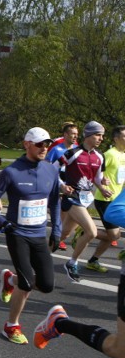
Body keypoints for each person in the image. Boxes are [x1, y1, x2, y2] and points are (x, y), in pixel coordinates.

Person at [0, 127, 61, 345]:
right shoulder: (12, 172)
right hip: (16, 233)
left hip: (39, 234)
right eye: (39, 144)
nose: (44, 148)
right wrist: (1, 223)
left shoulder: (51, 170)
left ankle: (10, 280)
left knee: (46, 285)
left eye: (47, 144)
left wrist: (56, 229)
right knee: (27, 283)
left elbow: (55, 202)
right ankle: (11, 325)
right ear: (27, 144)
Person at [33, 189, 125, 358]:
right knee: (120, 350)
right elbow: (116, 211)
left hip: (82, 197)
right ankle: (59, 323)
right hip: (75, 198)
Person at [57, 121, 109, 282]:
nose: (101, 138)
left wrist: (102, 186)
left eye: (102, 135)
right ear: (88, 135)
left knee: (63, 234)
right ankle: (72, 263)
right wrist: (62, 186)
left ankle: (38, 256)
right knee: (92, 232)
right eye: (97, 135)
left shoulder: (99, 156)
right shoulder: (73, 153)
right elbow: (51, 169)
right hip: (72, 198)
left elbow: (97, 177)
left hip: (85, 199)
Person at [85, 125, 125, 272]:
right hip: (105, 199)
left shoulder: (123, 155)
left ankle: (93, 259)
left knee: (113, 236)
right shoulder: (109, 154)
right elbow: (94, 172)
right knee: (114, 235)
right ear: (116, 139)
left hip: (118, 200)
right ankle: (87, 231)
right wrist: (102, 183)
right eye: (124, 136)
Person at [46, 122, 79, 251]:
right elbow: (48, 167)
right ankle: (57, 237)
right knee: (61, 212)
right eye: (72, 134)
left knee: (68, 212)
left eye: (77, 134)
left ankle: (61, 236)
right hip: (57, 183)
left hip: (70, 184)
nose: (75, 137)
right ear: (65, 135)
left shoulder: (76, 148)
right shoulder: (56, 150)